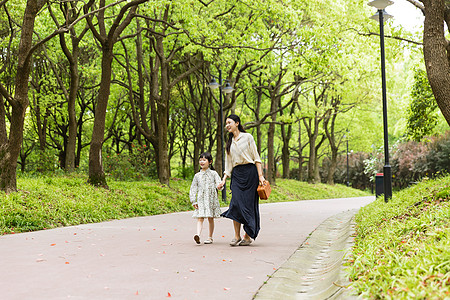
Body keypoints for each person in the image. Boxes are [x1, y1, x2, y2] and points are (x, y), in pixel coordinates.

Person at [217, 114, 265, 246]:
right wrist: (223, 180)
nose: (227, 125)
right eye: (226, 123)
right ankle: (237, 236)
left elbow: (256, 158)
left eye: (229, 122)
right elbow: (228, 165)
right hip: (237, 175)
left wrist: (260, 176)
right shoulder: (229, 143)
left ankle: (247, 236)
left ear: (237, 123)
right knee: (236, 204)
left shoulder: (248, 137)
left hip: (250, 174)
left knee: (248, 206)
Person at [189, 152, 223, 244]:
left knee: (210, 218)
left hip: (211, 199)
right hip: (201, 199)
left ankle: (210, 237)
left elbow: (218, 183)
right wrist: (193, 201)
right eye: (200, 160)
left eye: (204, 160)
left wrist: (220, 186)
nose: (202, 162)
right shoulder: (197, 175)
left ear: (210, 162)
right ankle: (198, 235)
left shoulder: (213, 173)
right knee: (200, 217)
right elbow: (193, 188)